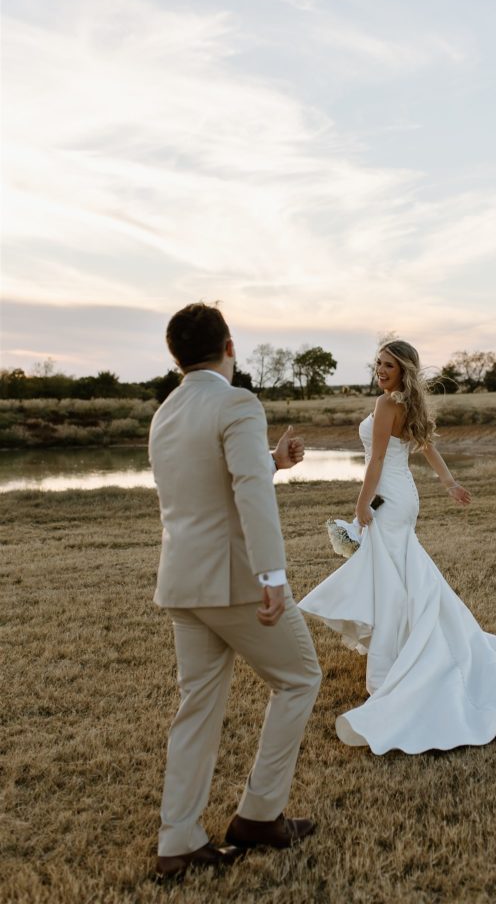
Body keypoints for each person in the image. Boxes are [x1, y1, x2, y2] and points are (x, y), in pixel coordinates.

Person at [298, 340, 496, 755]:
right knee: (399, 575)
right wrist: (449, 482)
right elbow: (426, 446)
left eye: (389, 365)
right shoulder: (404, 402)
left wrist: (360, 503)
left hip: (389, 496)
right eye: (378, 363)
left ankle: (389, 672)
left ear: (404, 369)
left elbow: (379, 460)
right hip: (402, 497)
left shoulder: (388, 405)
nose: (380, 370)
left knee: (391, 578)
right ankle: (405, 647)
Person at [149, 302, 321, 880]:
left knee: (196, 707)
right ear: (228, 346)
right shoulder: (238, 402)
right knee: (300, 678)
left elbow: (215, 484)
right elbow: (247, 490)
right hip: (237, 582)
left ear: (177, 355)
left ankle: (178, 841)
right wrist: (272, 575)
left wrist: (273, 460)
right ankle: (258, 814)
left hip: (183, 581)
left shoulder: (166, 412)